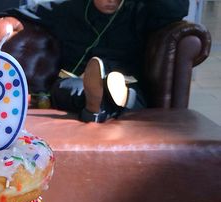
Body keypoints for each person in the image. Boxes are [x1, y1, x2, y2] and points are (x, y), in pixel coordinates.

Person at [20, 0, 189, 122]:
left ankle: (95, 109)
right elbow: (23, 12)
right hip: (78, 80)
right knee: (63, 88)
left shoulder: (139, 10)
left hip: (125, 81)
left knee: (129, 91)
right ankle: (101, 103)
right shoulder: (69, 9)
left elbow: (178, 9)